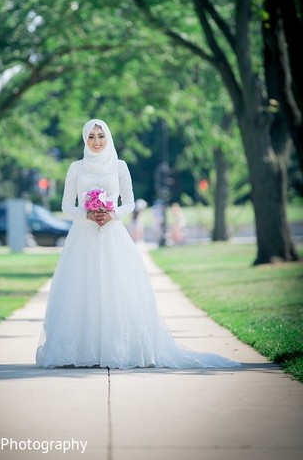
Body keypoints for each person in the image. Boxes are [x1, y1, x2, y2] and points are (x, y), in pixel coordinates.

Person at [35, 119, 239, 370]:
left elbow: (129, 202)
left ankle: (117, 349)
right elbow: (66, 205)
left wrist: (111, 213)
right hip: (83, 238)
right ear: (84, 140)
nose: (96, 141)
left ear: (108, 138)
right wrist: (87, 214)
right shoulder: (76, 168)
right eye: (91, 137)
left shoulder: (119, 166)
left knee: (116, 289)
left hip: (113, 235)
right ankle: (81, 350)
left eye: (100, 136)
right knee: (82, 289)